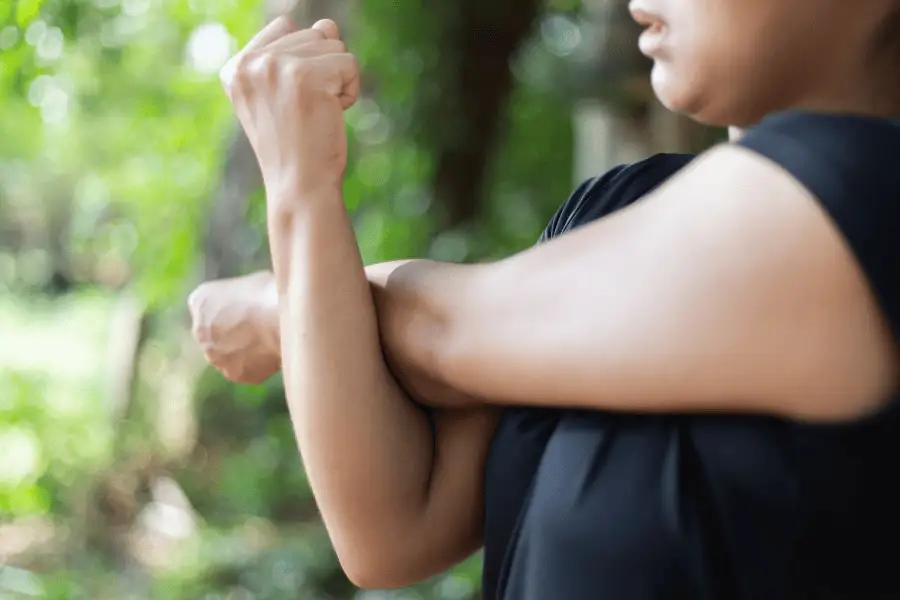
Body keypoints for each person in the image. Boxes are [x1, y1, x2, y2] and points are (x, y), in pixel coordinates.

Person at [187, 1, 900, 598]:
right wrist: (301, 188)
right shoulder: (620, 204)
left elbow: (448, 329)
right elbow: (396, 527)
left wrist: (282, 306)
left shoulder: (871, 195)